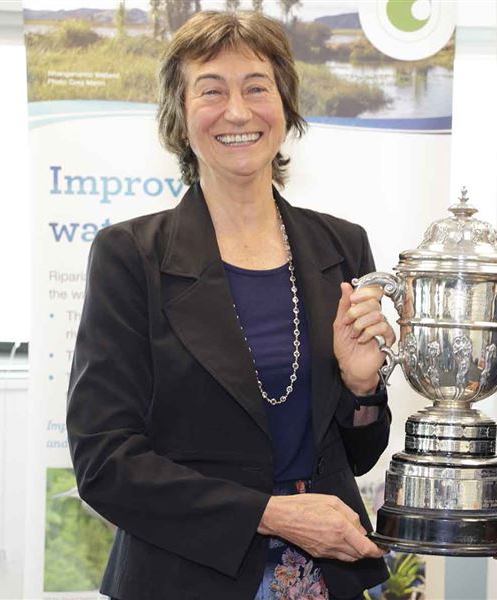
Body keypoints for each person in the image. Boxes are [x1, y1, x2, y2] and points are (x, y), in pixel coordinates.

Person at [66, 11, 395, 599]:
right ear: (180, 114)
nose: (238, 112)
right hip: (183, 576)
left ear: (286, 105)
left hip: (327, 579)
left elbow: (359, 455)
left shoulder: (343, 246)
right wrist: (270, 514)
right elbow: (104, 462)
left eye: (257, 88)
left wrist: (363, 389)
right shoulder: (129, 257)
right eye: (211, 90)